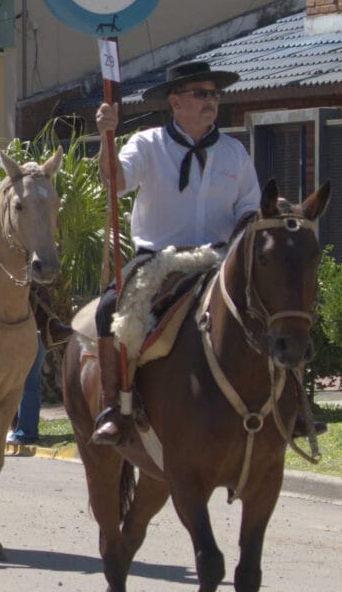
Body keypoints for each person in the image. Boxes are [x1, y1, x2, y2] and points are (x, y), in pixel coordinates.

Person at [87, 58, 263, 447]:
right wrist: (106, 137)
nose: (210, 101)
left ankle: (289, 407)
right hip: (158, 260)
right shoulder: (147, 144)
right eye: (200, 94)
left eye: (214, 94)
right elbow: (114, 180)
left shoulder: (234, 152)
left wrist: (244, 240)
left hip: (219, 259)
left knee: (276, 306)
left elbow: (249, 208)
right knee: (109, 307)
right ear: (175, 101)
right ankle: (116, 406)